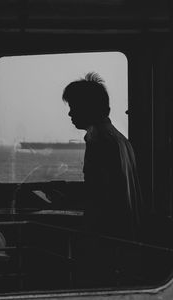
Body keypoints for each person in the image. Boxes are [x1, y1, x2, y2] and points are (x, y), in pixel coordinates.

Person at [62, 72, 143, 240]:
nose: (70, 114)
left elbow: (99, 194)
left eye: (74, 107)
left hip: (108, 236)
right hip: (126, 233)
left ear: (88, 108)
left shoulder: (98, 140)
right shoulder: (119, 139)